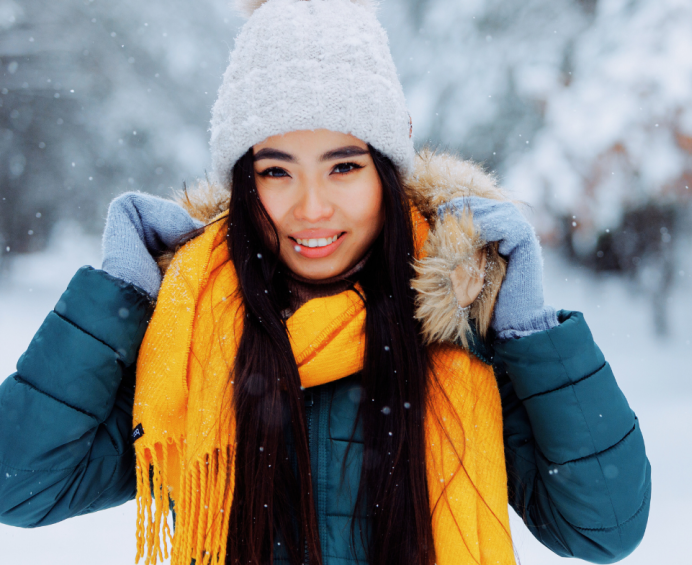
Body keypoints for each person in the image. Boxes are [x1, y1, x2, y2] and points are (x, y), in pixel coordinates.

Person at [0, 1, 650, 565]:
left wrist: (529, 333)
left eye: (343, 166)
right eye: (277, 172)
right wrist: (120, 296)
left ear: (389, 171)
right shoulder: (192, 340)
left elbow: (602, 525)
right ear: (243, 185)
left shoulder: (460, 335)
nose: (311, 207)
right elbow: (20, 481)